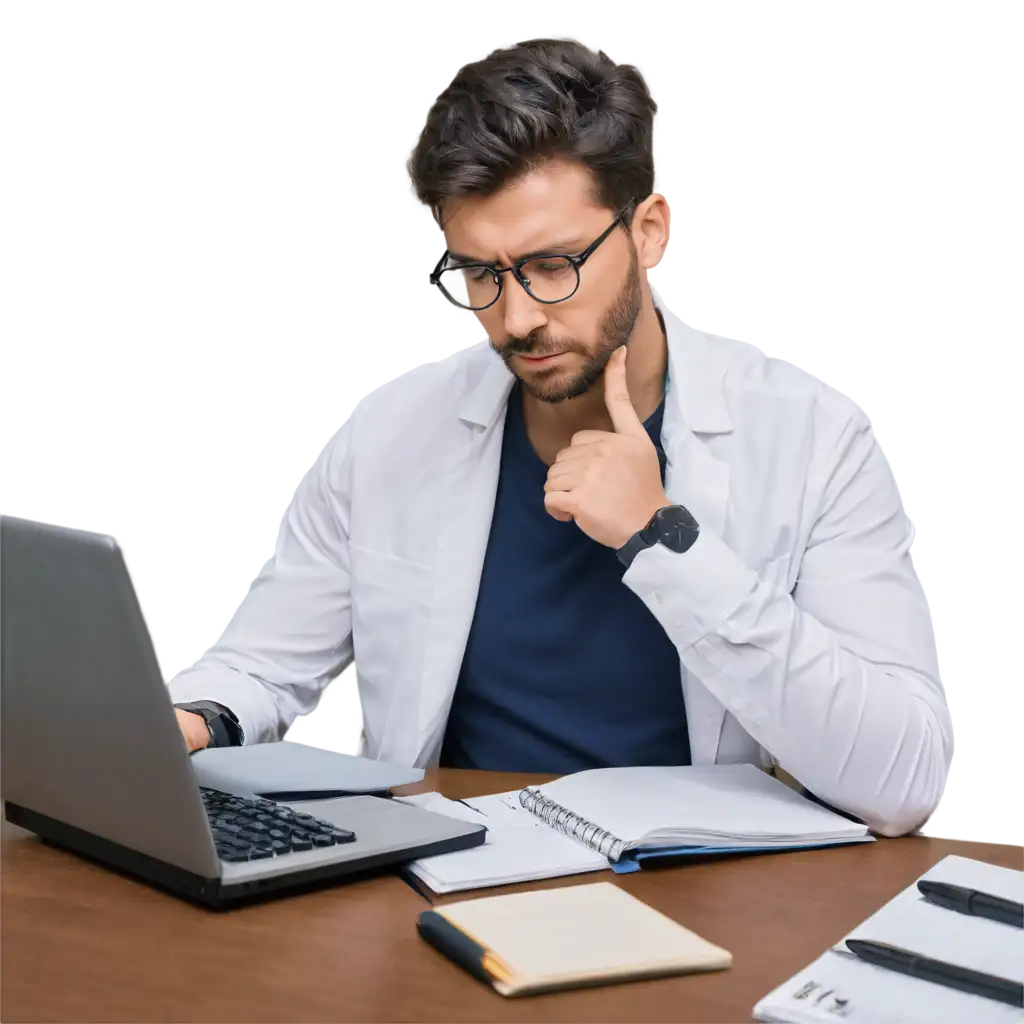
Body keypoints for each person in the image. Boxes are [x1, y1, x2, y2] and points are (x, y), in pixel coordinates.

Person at [170, 38, 952, 837]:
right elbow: (259, 665)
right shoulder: (390, 429)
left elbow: (902, 778)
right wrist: (186, 721)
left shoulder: (811, 436)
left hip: (699, 894)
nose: (515, 319)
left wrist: (662, 539)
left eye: (552, 265)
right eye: (478, 274)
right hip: (445, 874)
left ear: (648, 231)